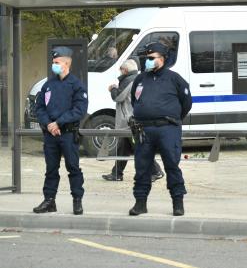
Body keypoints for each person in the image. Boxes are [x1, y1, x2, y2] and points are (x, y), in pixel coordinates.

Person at [128, 41, 192, 216]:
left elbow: (186, 103)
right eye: (146, 57)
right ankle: (140, 203)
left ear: (162, 59)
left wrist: (172, 118)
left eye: (151, 58)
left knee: (172, 165)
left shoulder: (175, 79)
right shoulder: (140, 79)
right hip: (144, 130)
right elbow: (135, 101)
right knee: (142, 168)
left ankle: (177, 203)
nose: (147, 61)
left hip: (167, 129)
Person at [33, 47, 88, 215]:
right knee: (51, 169)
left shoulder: (77, 85)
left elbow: (79, 110)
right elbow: (40, 107)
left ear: (66, 63)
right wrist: (49, 124)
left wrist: (58, 122)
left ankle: (77, 201)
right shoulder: (49, 85)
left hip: (68, 134)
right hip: (51, 134)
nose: (53, 65)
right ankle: (49, 201)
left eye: (56, 62)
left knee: (73, 168)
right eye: (53, 62)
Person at [101, 59, 165, 182]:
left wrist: (113, 88)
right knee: (123, 148)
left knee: (140, 147)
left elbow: (118, 97)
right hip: (131, 120)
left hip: (130, 121)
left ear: (125, 70)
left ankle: (156, 171)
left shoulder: (128, 81)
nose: (120, 73)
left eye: (121, 70)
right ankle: (117, 173)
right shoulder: (139, 78)